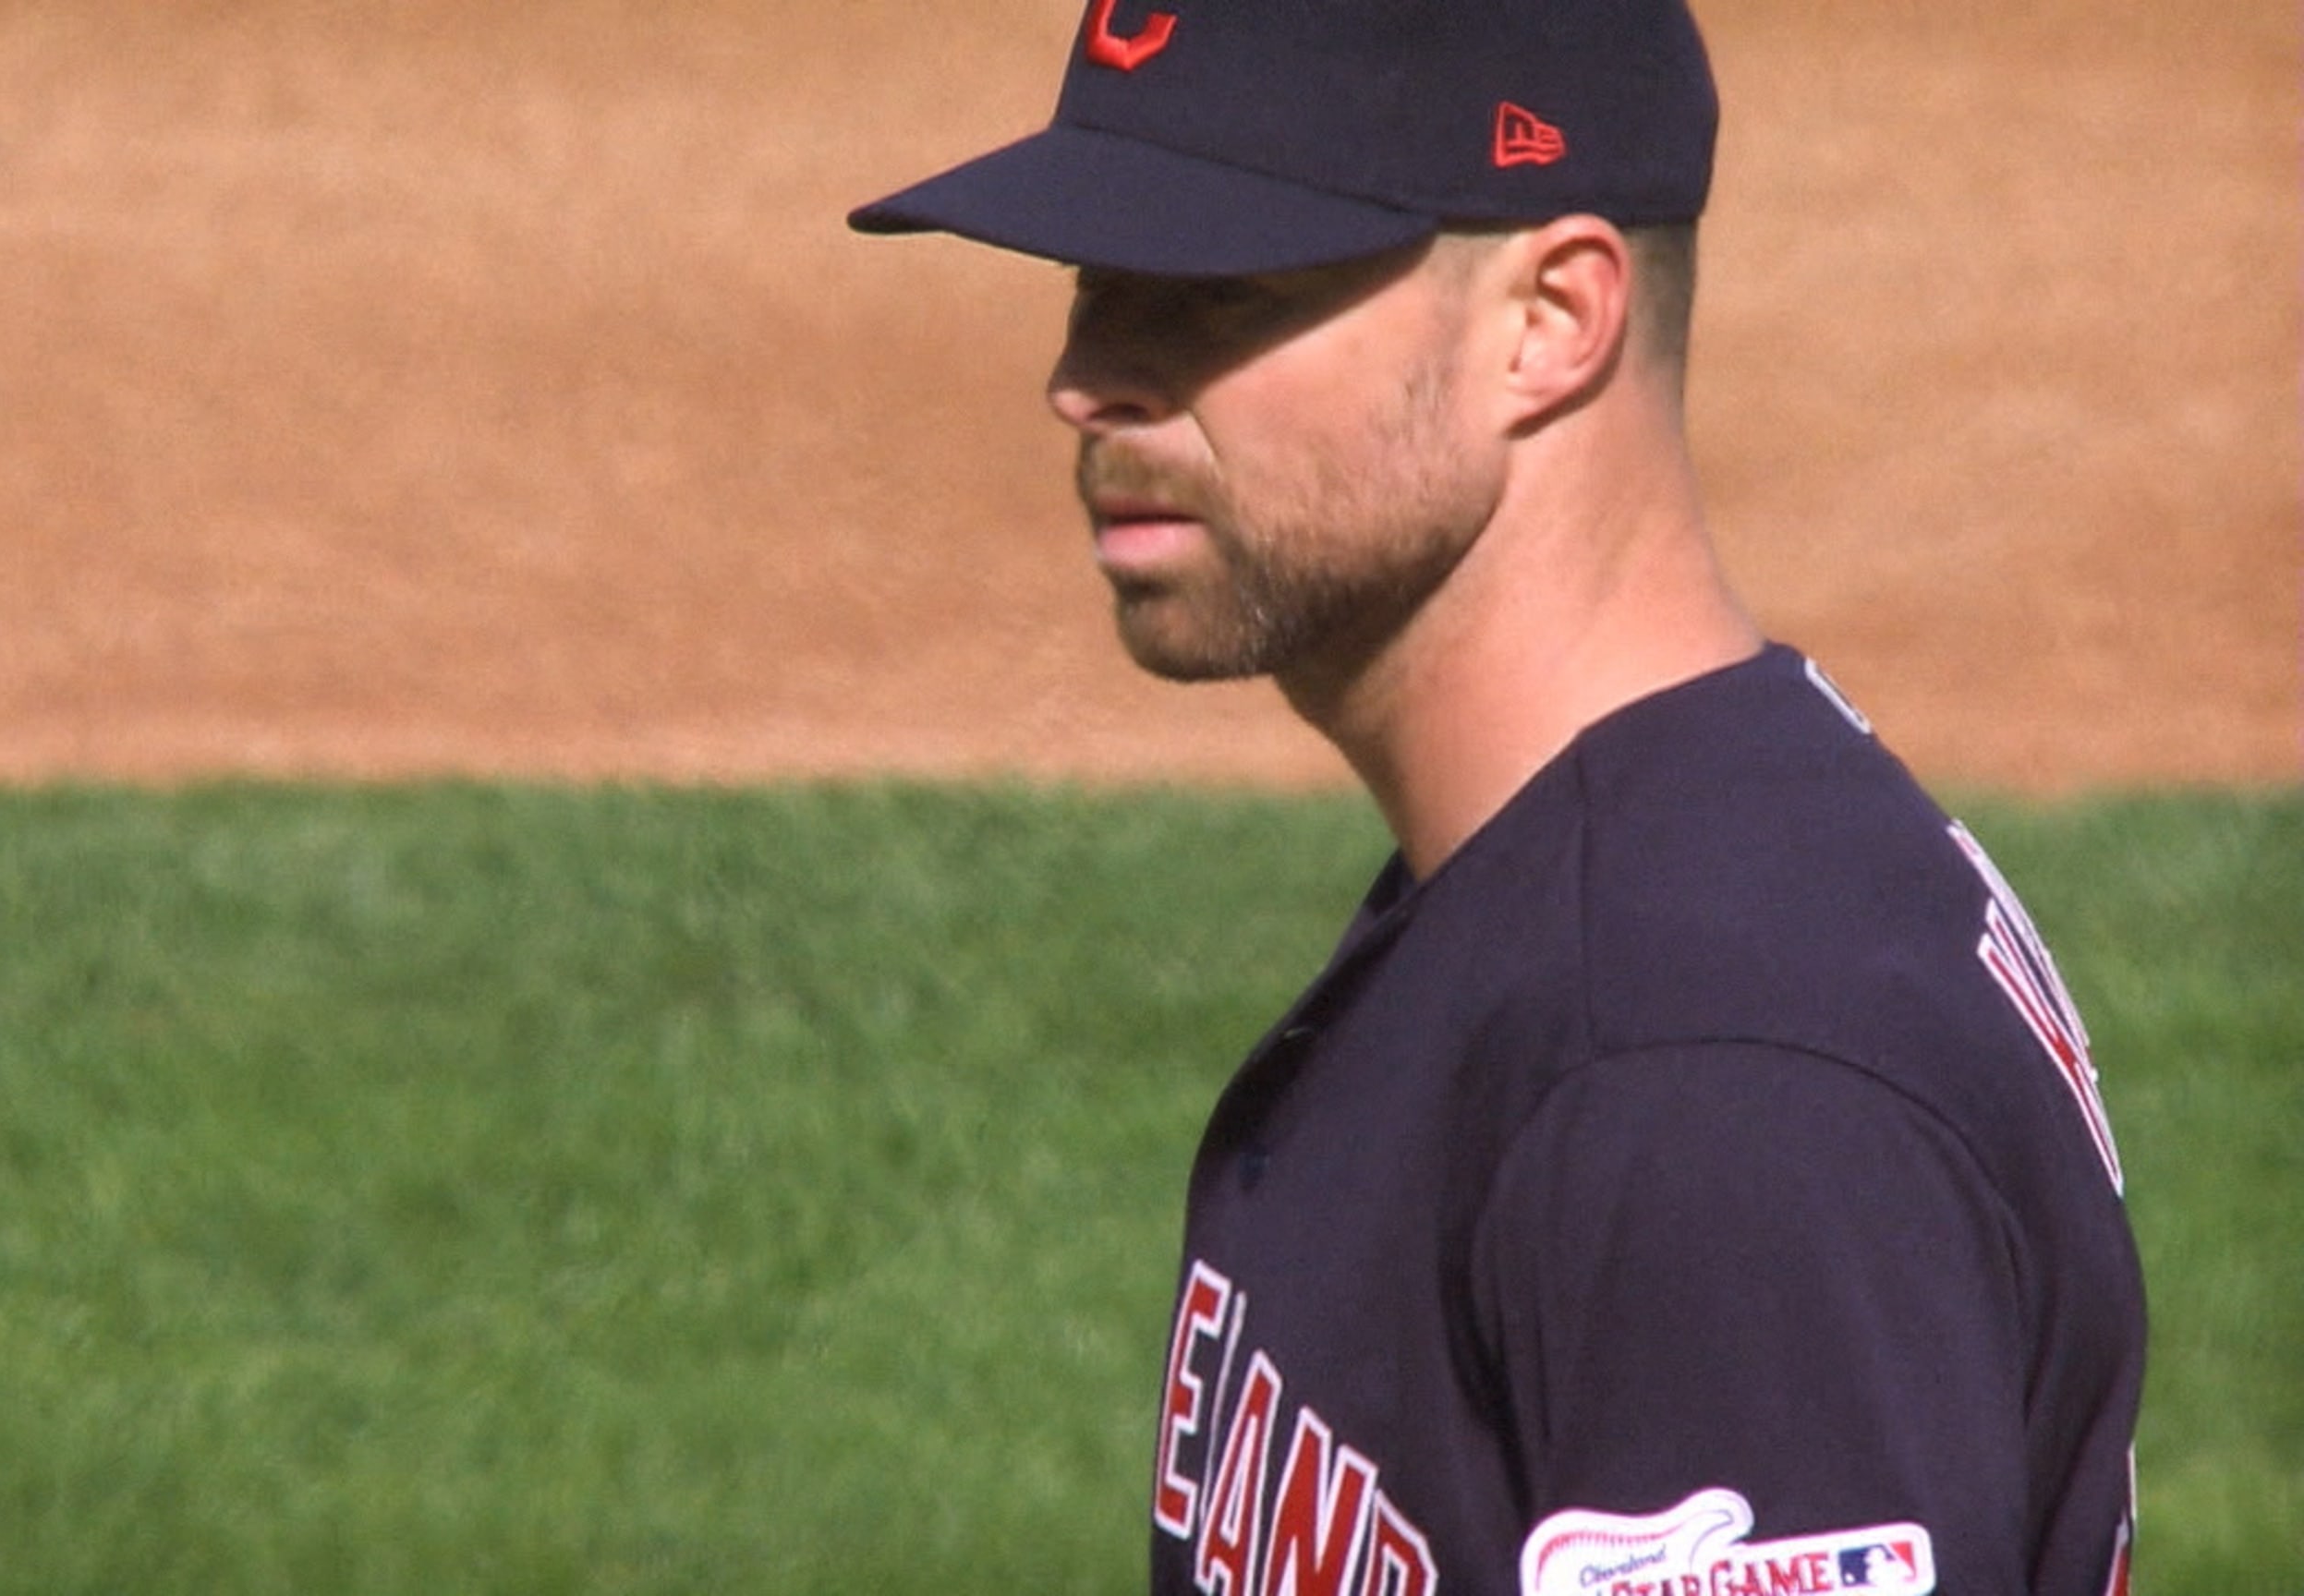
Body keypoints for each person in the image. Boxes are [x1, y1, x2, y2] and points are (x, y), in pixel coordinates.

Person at [847, 4, 2147, 1594]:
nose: (1086, 378)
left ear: (1551, 318)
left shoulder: (1706, 1074)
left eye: (1211, 291)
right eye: (1095, 281)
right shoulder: (1567, 874)